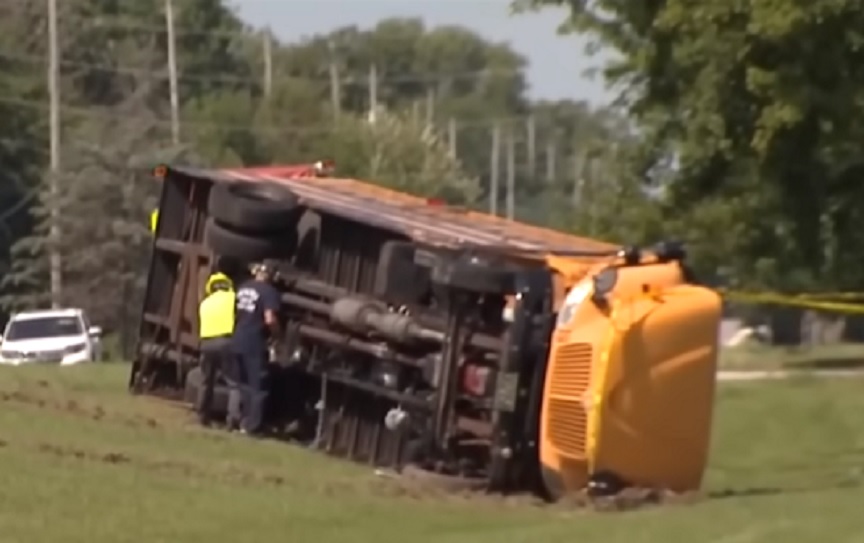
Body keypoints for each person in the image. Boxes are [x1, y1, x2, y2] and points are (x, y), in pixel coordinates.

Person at [231, 260, 281, 436]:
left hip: (237, 338)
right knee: (258, 386)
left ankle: (243, 422)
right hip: (254, 341)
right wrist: (277, 335)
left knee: (243, 384)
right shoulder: (269, 292)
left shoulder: (243, 287)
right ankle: (254, 427)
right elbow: (269, 319)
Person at [197, 272, 236, 426]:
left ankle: (202, 416)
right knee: (234, 383)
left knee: (207, 381)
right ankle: (232, 420)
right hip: (225, 341)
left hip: (206, 343)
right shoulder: (232, 298)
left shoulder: (205, 303)